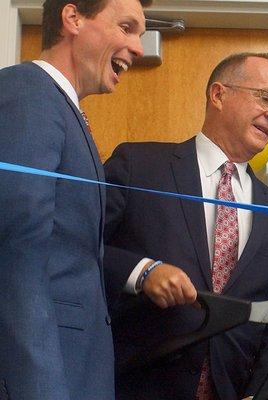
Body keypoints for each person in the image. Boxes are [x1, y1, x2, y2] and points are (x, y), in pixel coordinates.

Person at [103, 52, 268, 400]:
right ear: (219, 94)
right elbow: (74, 247)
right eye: (265, 97)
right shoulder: (139, 166)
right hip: (130, 386)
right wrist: (142, 272)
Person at [0, 0, 148, 398]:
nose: (138, 47)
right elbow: (18, 257)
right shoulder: (28, 93)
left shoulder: (60, 106)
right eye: (127, 27)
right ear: (73, 18)